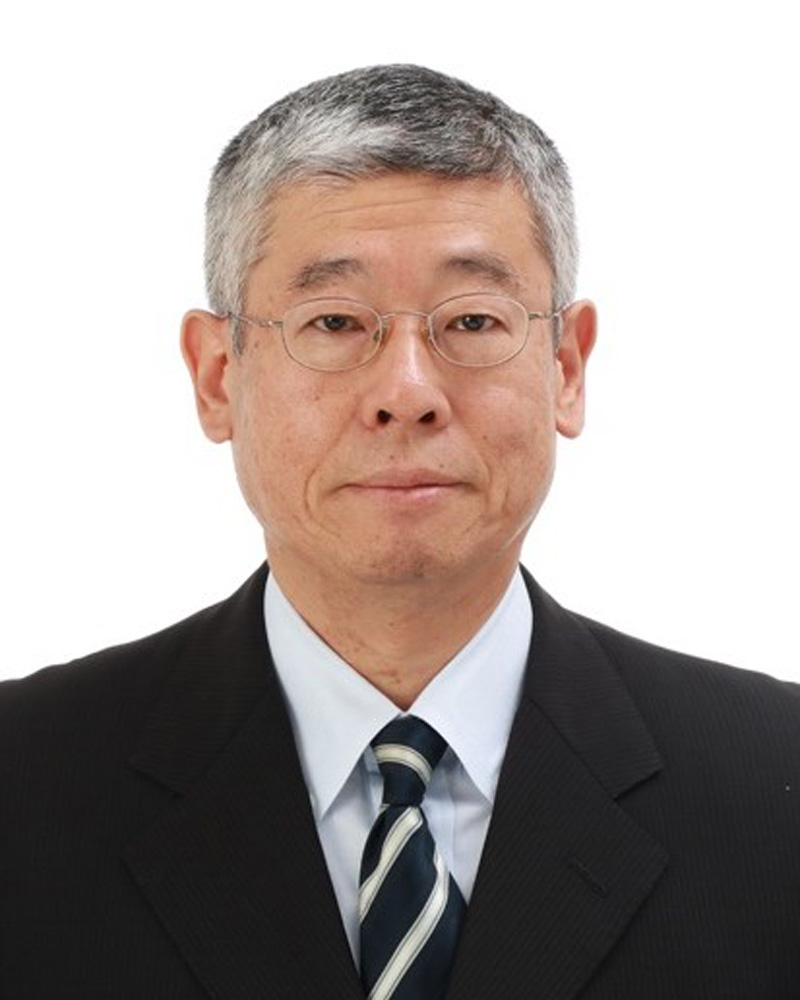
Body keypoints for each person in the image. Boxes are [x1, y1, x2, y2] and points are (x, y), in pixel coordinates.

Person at [2, 64, 799, 1000]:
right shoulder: (26, 782)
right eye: (336, 321)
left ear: (566, 367)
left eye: (473, 320)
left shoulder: (773, 783)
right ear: (219, 376)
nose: (408, 393)